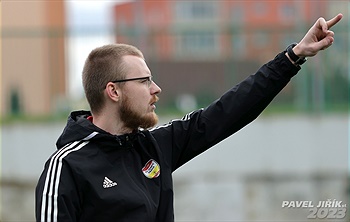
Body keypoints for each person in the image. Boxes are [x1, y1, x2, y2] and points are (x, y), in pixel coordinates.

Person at [36, 13, 343, 222]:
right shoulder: (66, 167)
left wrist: (293, 57)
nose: (156, 89)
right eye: (143, 81)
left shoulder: (155, 146)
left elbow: (229, 111)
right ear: (113, 92)